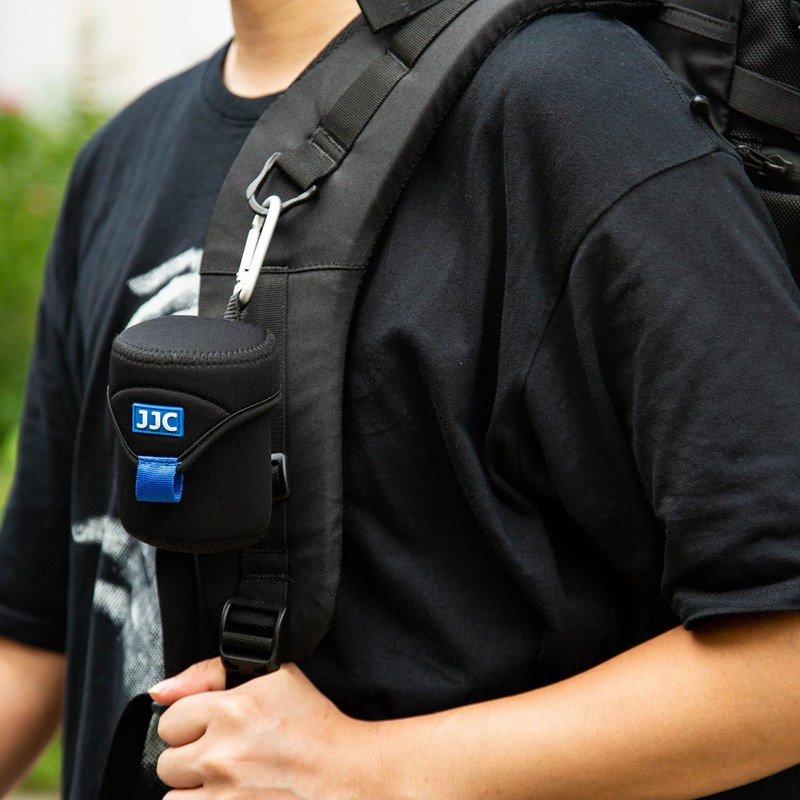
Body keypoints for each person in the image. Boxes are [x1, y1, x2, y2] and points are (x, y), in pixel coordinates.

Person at [3, 0, 800, 797]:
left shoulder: (573, 100)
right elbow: (33, 639)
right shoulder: (120, 158)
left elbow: (783, 654)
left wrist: (366, 769)